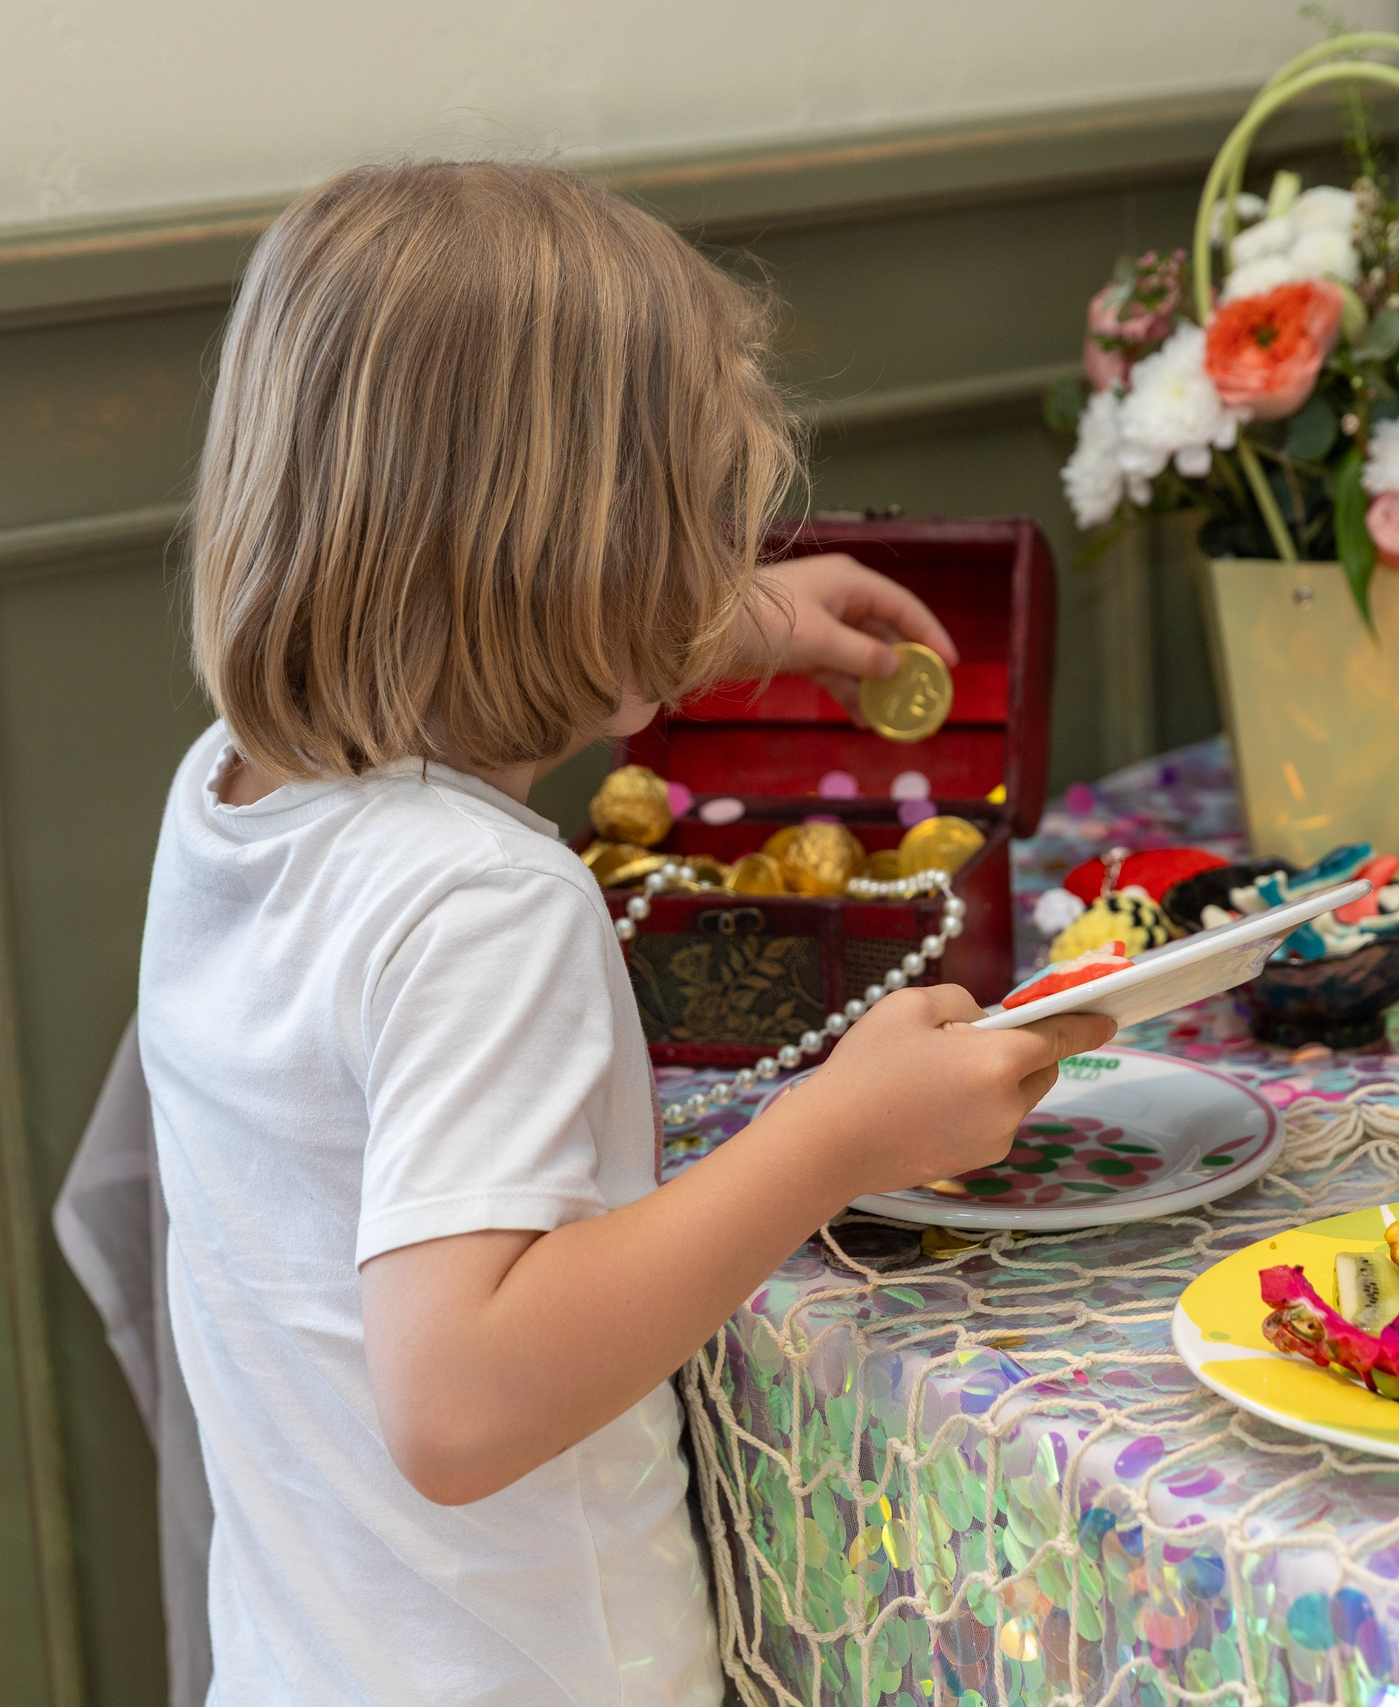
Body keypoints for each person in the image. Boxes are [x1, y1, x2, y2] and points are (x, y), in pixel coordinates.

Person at [141, 160, 1114, 1706]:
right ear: (566, 566)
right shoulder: (485, 904)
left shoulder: (232, 797)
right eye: (699, 526)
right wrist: (831, 1141)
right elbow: (460, 1402)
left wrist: (732, 625)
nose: (724, 555)